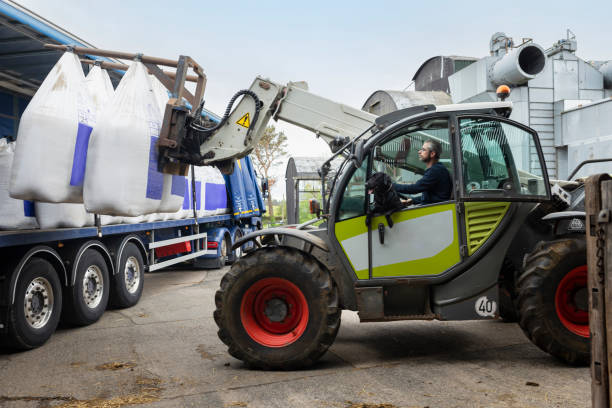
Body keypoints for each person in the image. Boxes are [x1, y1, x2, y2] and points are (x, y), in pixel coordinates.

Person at [393, 139, 452, 205]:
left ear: (432, 154)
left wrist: (392, 185)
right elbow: (430, 197)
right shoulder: (437, 168)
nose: (419, 152)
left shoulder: (435, 171)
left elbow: (415, 188)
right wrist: (413, 200)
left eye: (423, 150)